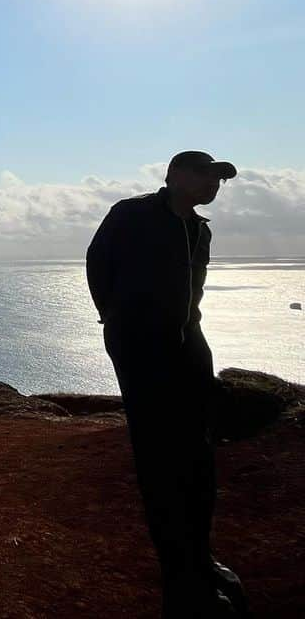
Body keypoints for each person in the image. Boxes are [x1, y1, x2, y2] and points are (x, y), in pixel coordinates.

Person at [86, 151, 250, 619]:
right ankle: (179, 573)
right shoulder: (132, 213)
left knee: (198, 454)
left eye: (219, 179)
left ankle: (200, 556)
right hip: (141, 347)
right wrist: (116, 320)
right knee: (160, 458)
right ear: (176, 175)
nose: (214, 184)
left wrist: (189, 333)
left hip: (189, 343)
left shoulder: (201, 230)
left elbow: (192, 291)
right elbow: (99, 265)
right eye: (205, 175)